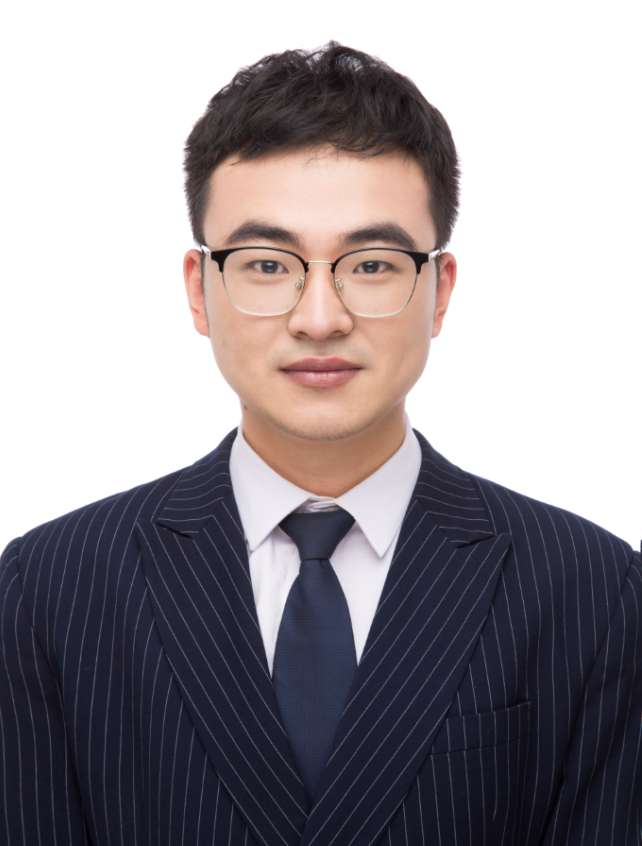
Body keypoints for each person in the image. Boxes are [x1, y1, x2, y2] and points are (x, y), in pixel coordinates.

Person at [1, 40, 640, 846]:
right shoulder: (51, 589)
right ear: (200, 289)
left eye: (370, 265)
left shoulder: (592, 591)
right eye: (268, 265)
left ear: (438, 291)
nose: (319, 317)